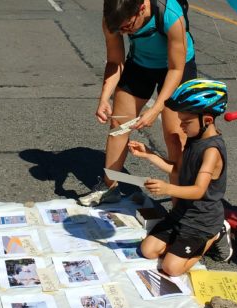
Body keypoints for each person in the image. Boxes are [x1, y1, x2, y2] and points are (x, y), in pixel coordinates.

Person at [78, 0, 197, 206]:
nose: (123, 33)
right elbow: (115, 61)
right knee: (118, 126)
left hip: (177, 67)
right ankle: (110, 187)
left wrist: (156, 108)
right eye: (119, 29)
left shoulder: (170, 14)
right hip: (141, 64)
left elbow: (175, 69)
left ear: (142, 8)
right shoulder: (113, 19)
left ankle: (181, 204)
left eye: (127, 27)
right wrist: (104, 97)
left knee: (175, 136)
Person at [129, 79, 234, 276]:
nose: (182, 126)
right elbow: (177, 170)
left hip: (202, 221)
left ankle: (217, 233)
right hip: (182, 213)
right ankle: (180, 247)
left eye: (186, 122)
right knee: (148, 250)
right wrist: (148, 153)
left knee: (172, 268)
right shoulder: (194, 140)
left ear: (207, 120)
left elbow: (198, 190)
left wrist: (167, 189)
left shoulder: (212, 151)